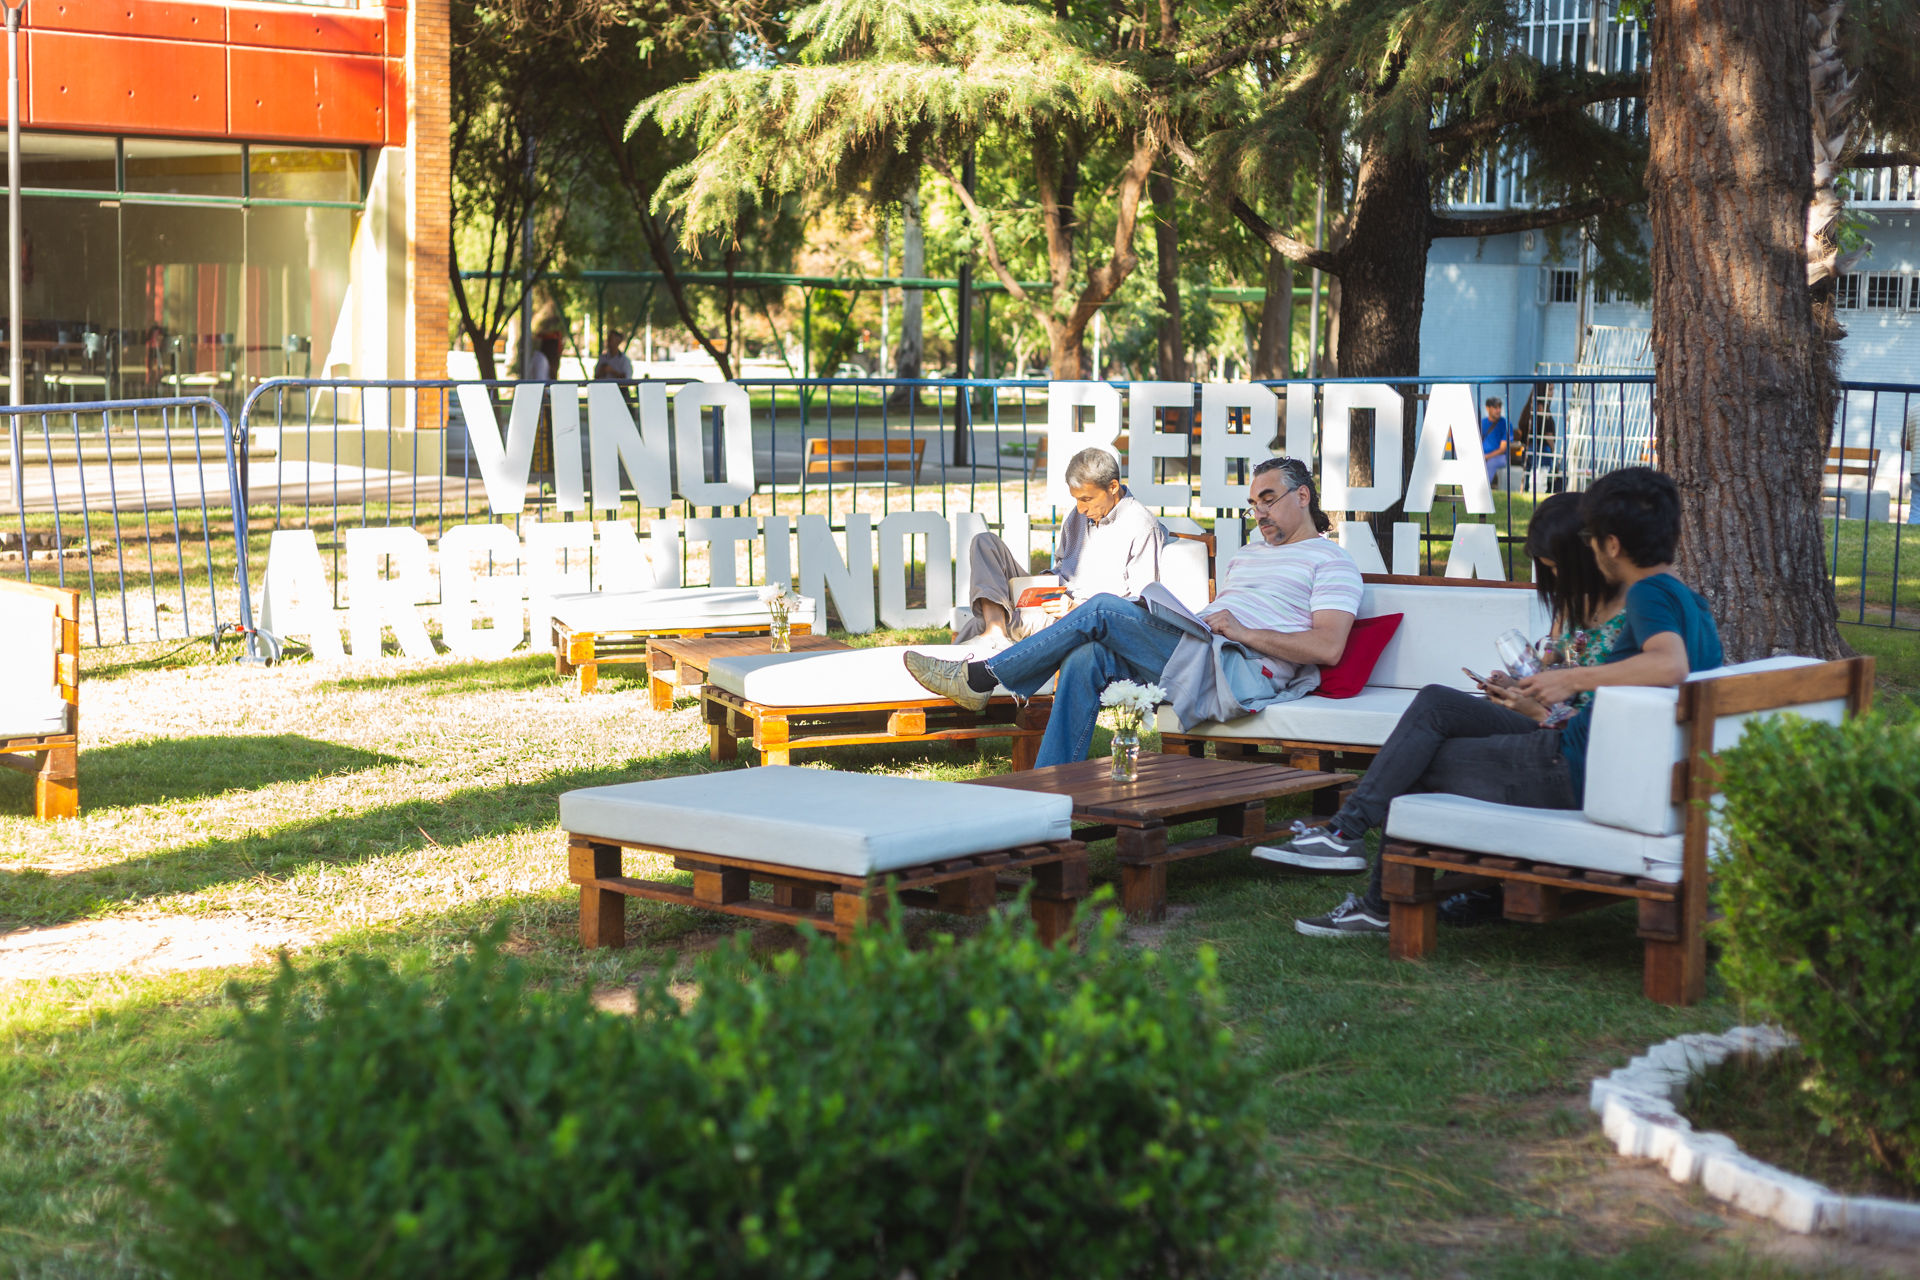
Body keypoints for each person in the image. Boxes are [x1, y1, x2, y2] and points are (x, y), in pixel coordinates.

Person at [1267, 466, 1725, 938]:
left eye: (1590, 538)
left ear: (1610, 545)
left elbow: (1670, 664)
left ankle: (1369, 885)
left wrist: (1571, 681)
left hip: (1573, 767)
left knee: (1416, 759)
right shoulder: (1689, 600)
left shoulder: (1647, 593)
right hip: (1609, 765)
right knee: (1436, 706)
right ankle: (1354, 846)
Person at [904, 457, 1361, 769]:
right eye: (1254, 504)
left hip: (1238, 669)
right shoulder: (1248, 554)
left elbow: (1328, 648)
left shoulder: (1332, 561)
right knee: (1084, 658)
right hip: (1202, 650)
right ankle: (1047, 793)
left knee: (1103, 608)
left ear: (1303, 496)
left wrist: (1242, 631)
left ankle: (982, 678)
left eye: (1269, 499)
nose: (1259, 512)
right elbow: (1225, 616)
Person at [1428, 491, 1628, 925]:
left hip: (1574, 745)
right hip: (1549, 725)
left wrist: (1536, 711)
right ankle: (1474, 885)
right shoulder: (1572, 607)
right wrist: (1516, 686)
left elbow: (1607, 715)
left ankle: (1467, 884)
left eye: (1554, 567)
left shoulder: (1631, 621)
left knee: (1441, 741)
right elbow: (1550, 672)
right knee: (1441, 711)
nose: (1551, 579)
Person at [953, 447, 1168, 646]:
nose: (1080, 509)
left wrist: (1075, 609)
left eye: (1087, 499)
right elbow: (1063, 565)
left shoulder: (1142, 526)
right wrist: (1043, 583)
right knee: (985, 542)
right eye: (1076, 499)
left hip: (1077, 617)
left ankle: (989, 635)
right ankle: (995, 633)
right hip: (1053, 596)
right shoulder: (1077, 516)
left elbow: (1140, 605)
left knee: (980, 624)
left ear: (1112, 487)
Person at [1481, 396, 1513, 487]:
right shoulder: (1482, 423)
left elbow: (1502, 449)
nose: (1498, 410)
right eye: (1495, 407)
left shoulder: (1506, 424)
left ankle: (1484, 488)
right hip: (1483, 455)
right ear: (1488, 408)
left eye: (1500, 407)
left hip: (1500, 457)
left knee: (1491, 463)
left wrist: (1486, 457)